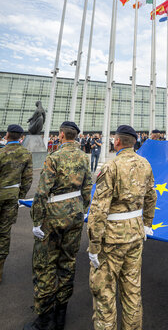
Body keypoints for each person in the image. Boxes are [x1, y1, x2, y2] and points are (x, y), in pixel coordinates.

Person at [88, 124, 157, 330]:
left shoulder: (111, 166)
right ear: (134, 142)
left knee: (105, 294)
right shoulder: (145, 164)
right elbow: (151, 196)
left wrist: (93, 245)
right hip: (135, 234)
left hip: (111, 238)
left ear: (117, 141)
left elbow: (99, 209)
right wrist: (147, 224)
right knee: (132, 292)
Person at [24, 121, 92, 330]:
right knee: (67, 262)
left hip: (53, 217)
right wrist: (80, 208)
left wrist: (37, 220)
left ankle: (44, 318)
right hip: (75, 215)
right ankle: (61, 314)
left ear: (61, 135)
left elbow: (42, 192)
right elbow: (88, 187)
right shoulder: (83, 157)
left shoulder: (53, 158)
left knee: (45, 265)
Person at [0, 124, 32, 282]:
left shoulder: (1, 152)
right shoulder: (26, 153)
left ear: (7, 135)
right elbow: (27, 178)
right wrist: (20, 195)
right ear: (21, 137)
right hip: (12, 196)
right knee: (4, 233)